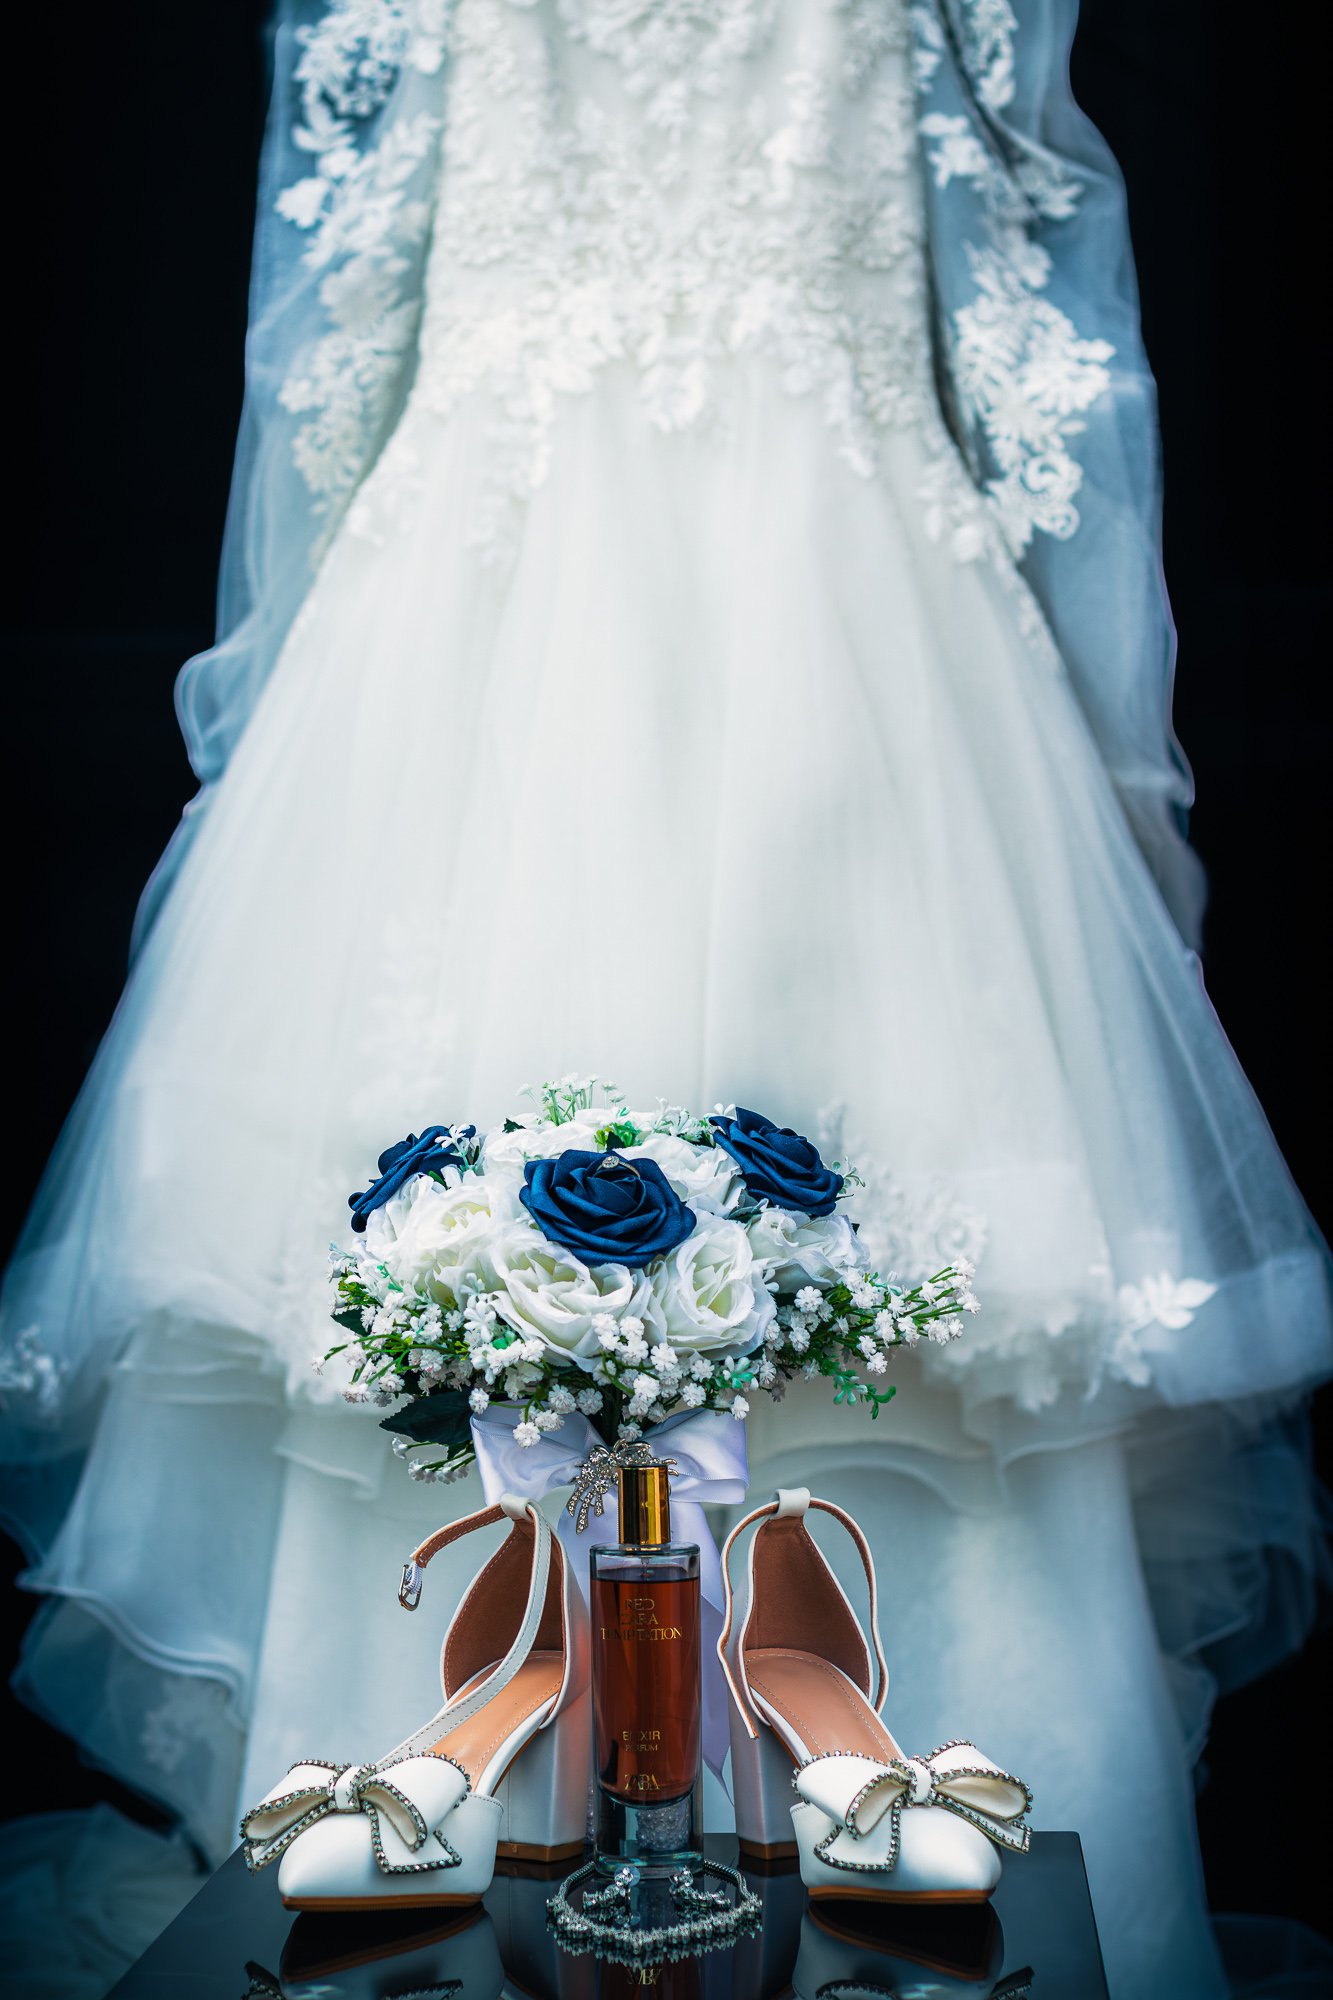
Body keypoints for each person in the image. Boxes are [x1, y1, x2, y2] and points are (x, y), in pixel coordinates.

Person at [1, 5, 1328, 1994]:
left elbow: (328, 357)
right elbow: (1035, 352)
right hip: (653, 582)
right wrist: (1122, 797)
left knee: (878, 1194)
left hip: (679, 595)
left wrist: (281, 689)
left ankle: (612, 1736)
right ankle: (698, 1732)